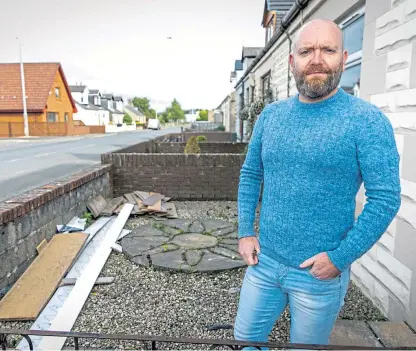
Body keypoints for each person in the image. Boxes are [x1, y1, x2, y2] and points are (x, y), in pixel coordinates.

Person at [234, 18, 401, 348]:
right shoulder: (270, 116)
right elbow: (251, 174)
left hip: (318, 275)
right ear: (293, 61)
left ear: (344, 57)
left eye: (328, 50)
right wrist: (244, 231)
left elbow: (386, 198)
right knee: (244, 339)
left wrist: (340, 258)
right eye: (307, 50)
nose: (317, 59)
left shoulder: (366, 121)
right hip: (264, 262)